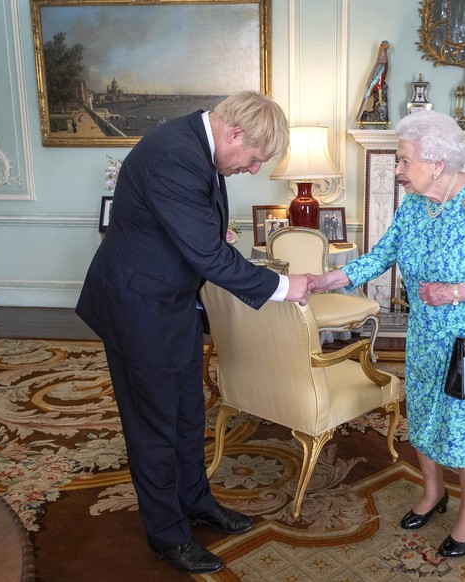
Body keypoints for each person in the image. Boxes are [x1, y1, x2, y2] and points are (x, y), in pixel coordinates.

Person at [76, 91, 311, 575]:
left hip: (172, 302)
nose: (252, 169)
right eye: (254, 158)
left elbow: (200, 241)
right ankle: (167, 535)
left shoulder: (196, 146)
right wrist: (286, 287)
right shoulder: (175, 157)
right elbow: (208, 253)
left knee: (186, 414)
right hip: (138, 307)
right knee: (154, 427)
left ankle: (196, 502)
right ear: (235, 133)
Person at [308, 110, 465, 559]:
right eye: (398, 159)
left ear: (436, 162)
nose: (398, 170)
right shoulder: (415, 203)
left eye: (403, 160)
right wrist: (330, 279)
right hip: (426, 335)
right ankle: (433, 493)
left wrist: (456, 291)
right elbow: (384, 253)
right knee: (426, 414)